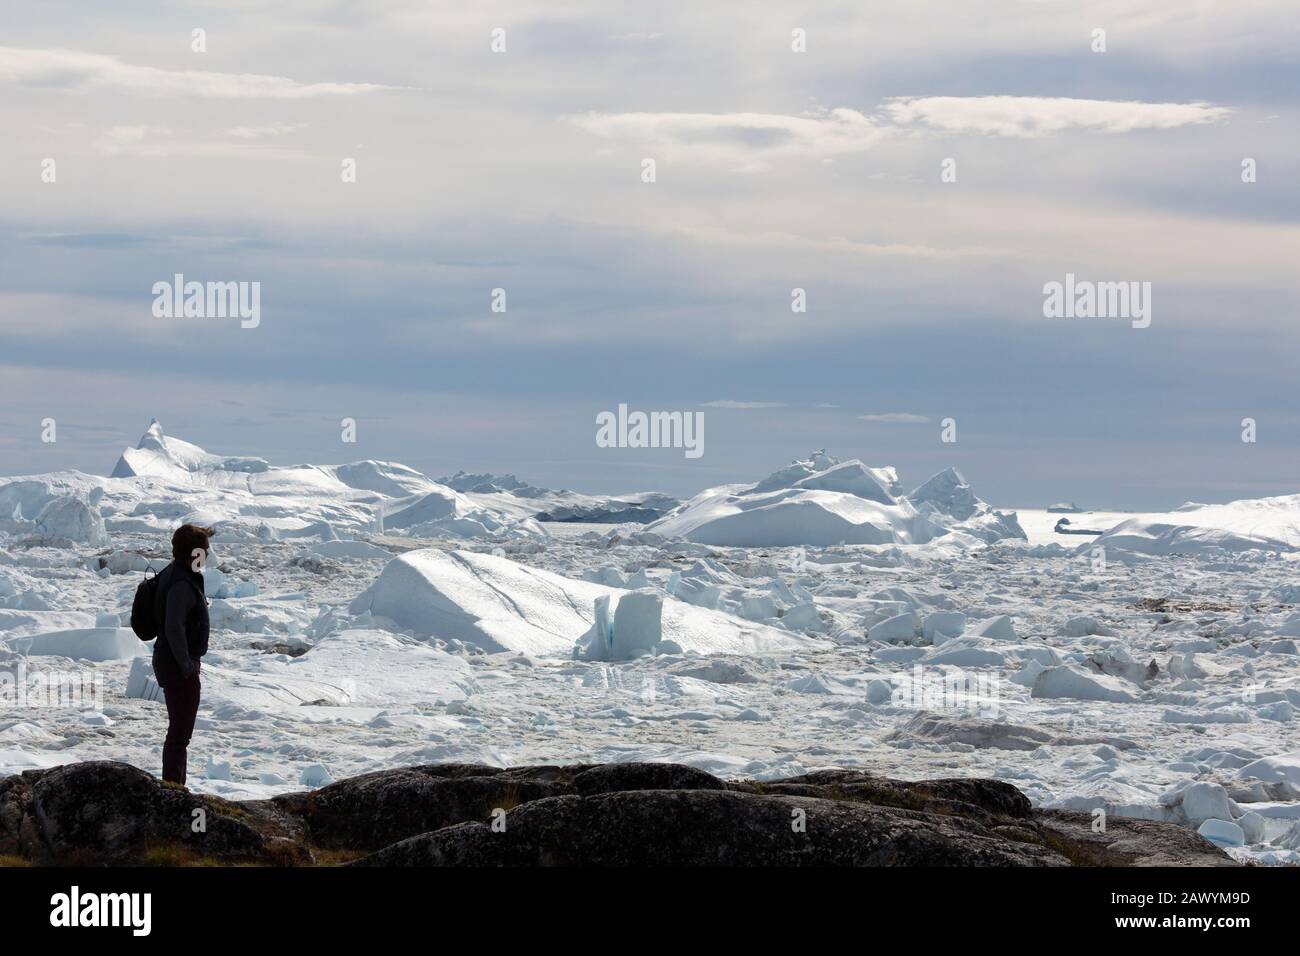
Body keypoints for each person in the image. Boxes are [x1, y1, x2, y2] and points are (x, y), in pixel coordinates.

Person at [153, 523, 213, 785]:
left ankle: (175, 787)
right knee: (179, 735)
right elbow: (173, 626)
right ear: (194, 554)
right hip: (176, 665)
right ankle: (173, 790)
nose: (207, 556)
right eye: (204, 551)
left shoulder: (176, 574)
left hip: (170, 661)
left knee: (179, 734)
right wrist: (186, 665)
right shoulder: (181, 583)